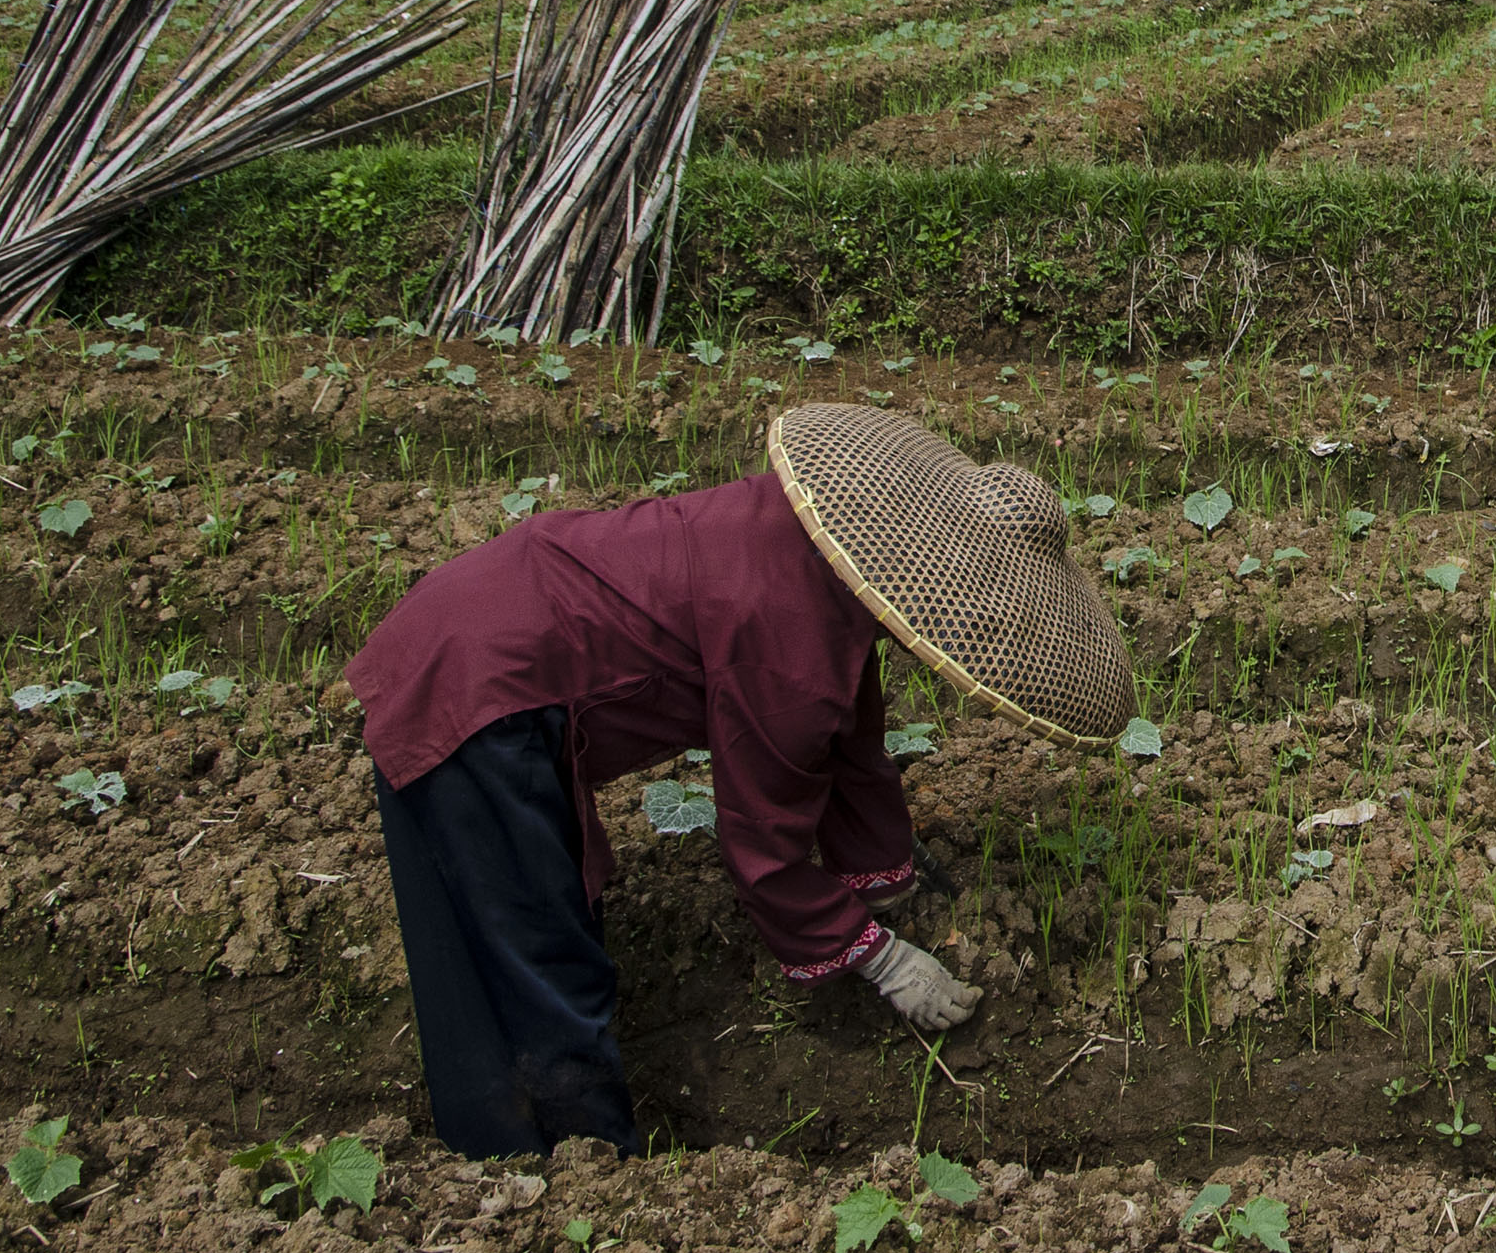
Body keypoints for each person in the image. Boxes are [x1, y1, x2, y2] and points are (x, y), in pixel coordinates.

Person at [345, 403, 1136, 1158]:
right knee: (536, 954)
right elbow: (761, 836)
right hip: (484, 691)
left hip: (490, 617)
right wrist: (879, 955)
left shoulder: (816, 549)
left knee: (515, 928)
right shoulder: (786, 638)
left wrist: (887, 872)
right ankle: (569, 1171)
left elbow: (850, 737)